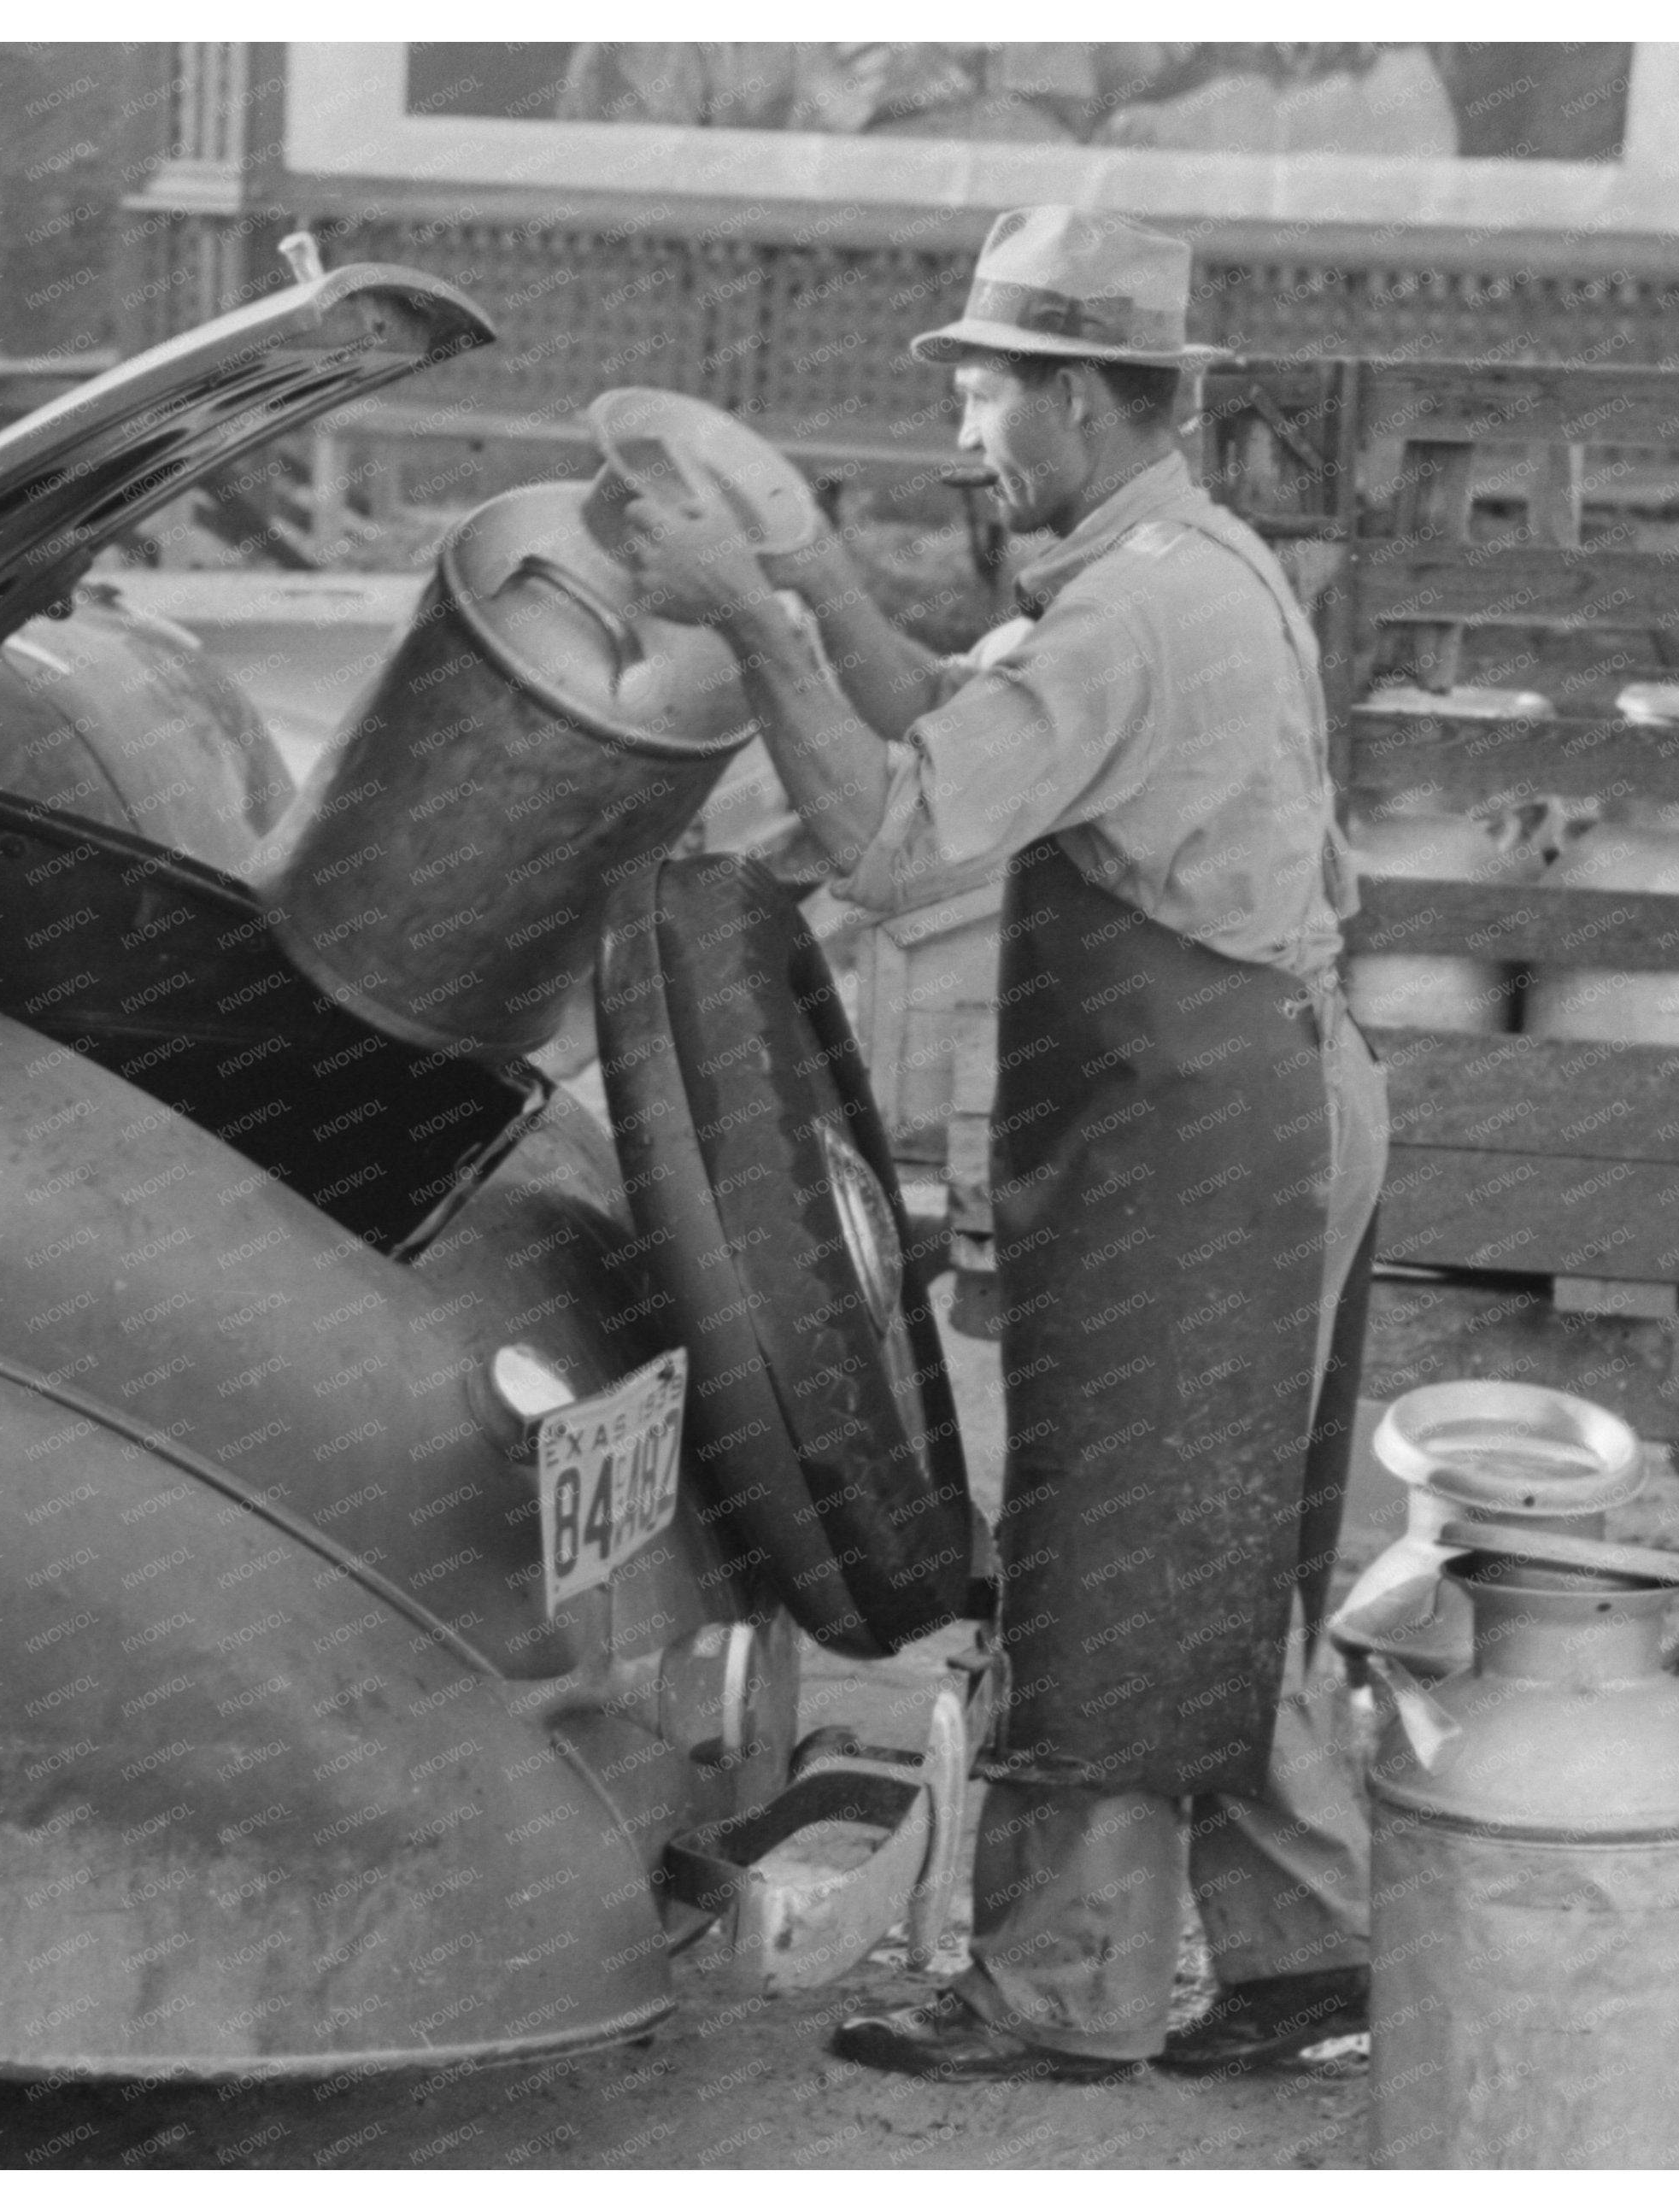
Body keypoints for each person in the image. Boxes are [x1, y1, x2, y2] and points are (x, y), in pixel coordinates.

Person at [614, 203, 1388, 2082]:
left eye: (982, 392)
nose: (966, 435)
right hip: (1239, 1097)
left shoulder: (1137, 613)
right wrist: (805, 575)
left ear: (1075, 400)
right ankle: (1307, 1948)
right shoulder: (1170, 559)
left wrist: (737, 621)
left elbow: (900, 835)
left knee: (1112, 1554)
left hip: (1203, 1135)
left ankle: (1064, 1990)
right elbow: (965, 723)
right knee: (1209, 1542)